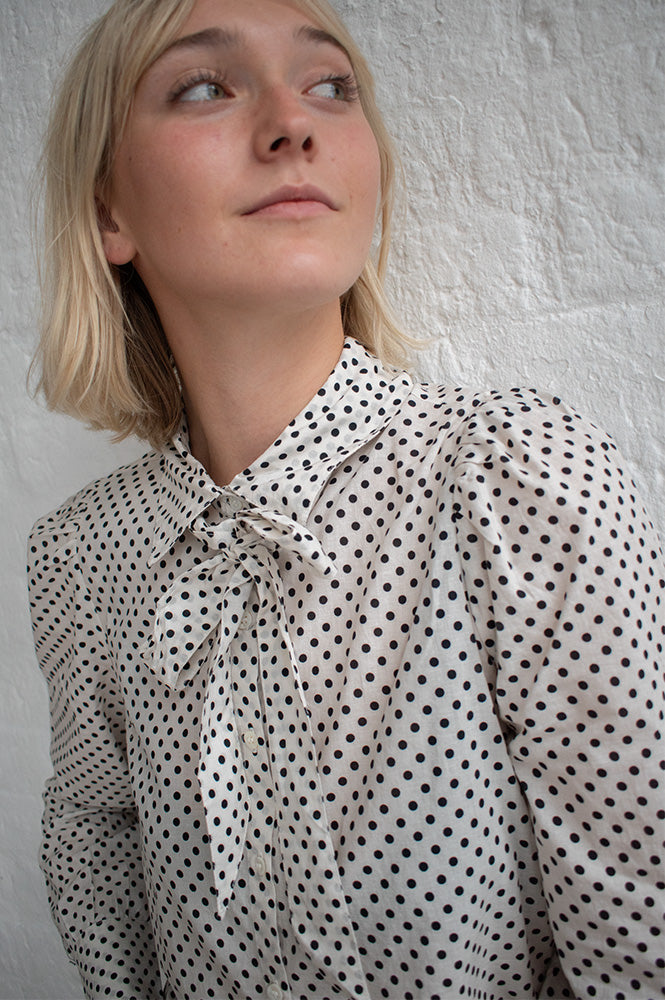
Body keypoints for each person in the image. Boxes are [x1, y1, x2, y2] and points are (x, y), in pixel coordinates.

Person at [27, 0, 664, 998]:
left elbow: (638, 933)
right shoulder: (80, 555)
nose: (293, 122)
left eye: (332, 85)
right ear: (109, 212)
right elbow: (96, 855)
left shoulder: (515, 478)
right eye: (204, 86)